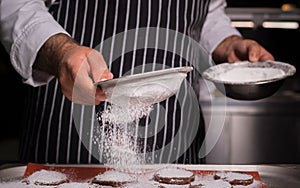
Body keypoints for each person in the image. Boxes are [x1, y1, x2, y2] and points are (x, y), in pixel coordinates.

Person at [0, 0, 274, 165]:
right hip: (66, 134)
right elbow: (17, 5)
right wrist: (60, 52)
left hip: (178, 140)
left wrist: (226, 43)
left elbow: (207, 12)